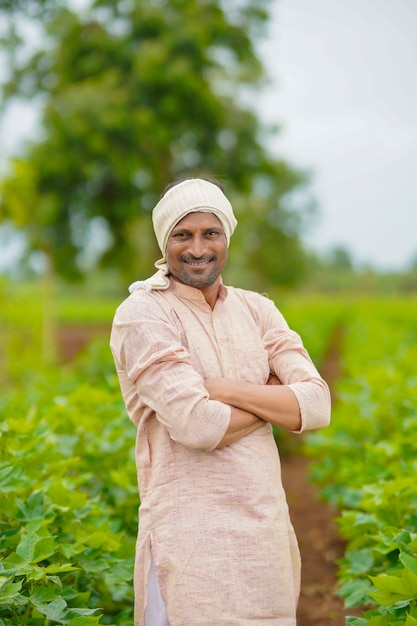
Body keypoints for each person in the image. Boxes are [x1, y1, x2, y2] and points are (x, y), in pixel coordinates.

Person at [110, 176, 331, 626]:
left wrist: (223, 388)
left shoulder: (257, 309)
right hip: (188, 538)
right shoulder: (143, 314)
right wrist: (274, 399)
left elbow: (318, 405)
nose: (197, 248)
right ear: (164, 242)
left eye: (210, 233)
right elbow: (196, 424)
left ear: (226, 237)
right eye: (182, 235)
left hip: (263, 536)